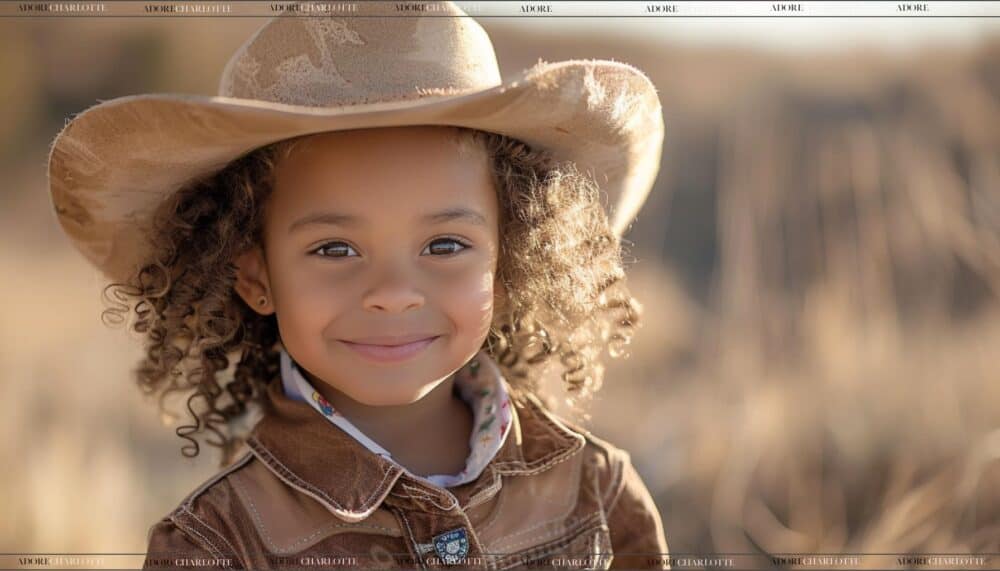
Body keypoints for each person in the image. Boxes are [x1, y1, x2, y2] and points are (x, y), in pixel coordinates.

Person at [47, 3, 668, 569]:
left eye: (445, 245)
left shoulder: (597, 493)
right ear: (256, 276)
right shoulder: (219, 543)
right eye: (335, 249)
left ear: (507, 267)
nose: (394, 292)